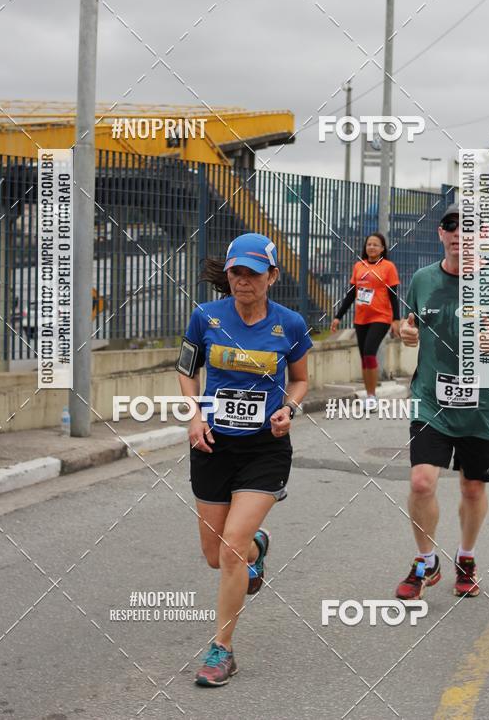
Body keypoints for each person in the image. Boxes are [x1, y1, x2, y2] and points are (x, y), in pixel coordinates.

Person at [177, 232, 312, 686]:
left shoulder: (289, 324)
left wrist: (288, 411)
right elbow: (185, 370)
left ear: (272, 276)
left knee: (232, 545)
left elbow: (300, 382)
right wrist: (194, 416)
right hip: (212, 443)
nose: (243, 281)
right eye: (236, 272)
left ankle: (222, 651)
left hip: (264, 449)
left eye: (253, 273)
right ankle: (259, 549)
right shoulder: (204, 317)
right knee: (216, 557)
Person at [396, 203, 489, 600]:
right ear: (441, 235)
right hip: (430, 400)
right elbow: (406, 325)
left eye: (468, 229)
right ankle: (425, 562)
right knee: (421, 481)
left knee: (472, 488)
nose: (458, 234)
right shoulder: (422, 280)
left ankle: (467, 557)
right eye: (450, 227)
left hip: (481, 407)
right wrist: (405, 333)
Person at [330, 232, 400, 409]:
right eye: (369, 244)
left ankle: (372, 396)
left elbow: (393, 296)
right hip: (361, 319)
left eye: (376, 244)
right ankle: (369, 395)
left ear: (382, 248)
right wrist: (338, 317)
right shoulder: (358, 267)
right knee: (364, 358)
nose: (372, 247)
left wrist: (396, 320)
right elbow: (351, 294)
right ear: (365, 247)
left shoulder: (388, 267)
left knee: (369, 352)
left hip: (381, 317)